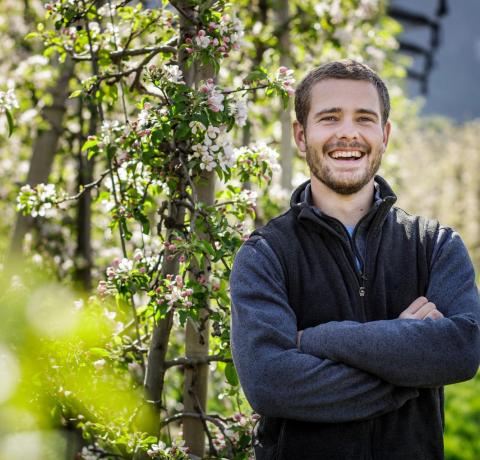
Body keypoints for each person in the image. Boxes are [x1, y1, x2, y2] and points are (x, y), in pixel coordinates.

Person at [229, 60, 480, 460]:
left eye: (364, 119)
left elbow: (461, 352)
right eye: (329, 118)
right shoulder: (265, 254)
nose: (348, 132)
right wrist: (408, 367)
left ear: (384, 135)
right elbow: (271, 384)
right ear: (300, 135)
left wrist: (315, 340)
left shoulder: (435, 246)